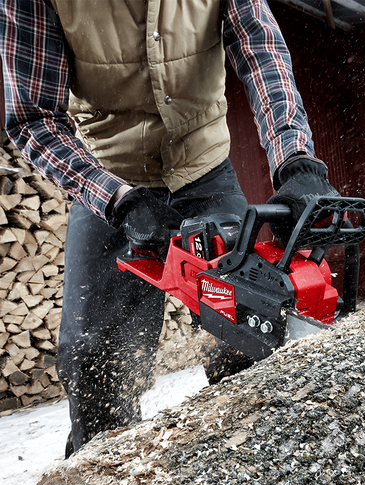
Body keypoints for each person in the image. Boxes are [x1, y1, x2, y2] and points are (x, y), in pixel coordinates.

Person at [0, 0, 339, 457]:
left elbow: (259, 46)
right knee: (94, 362)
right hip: (109, 175)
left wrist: (294, 157)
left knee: (257, 327)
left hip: (204, 167)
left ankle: (249, 471)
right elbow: (31, 118)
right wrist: (114, 198)